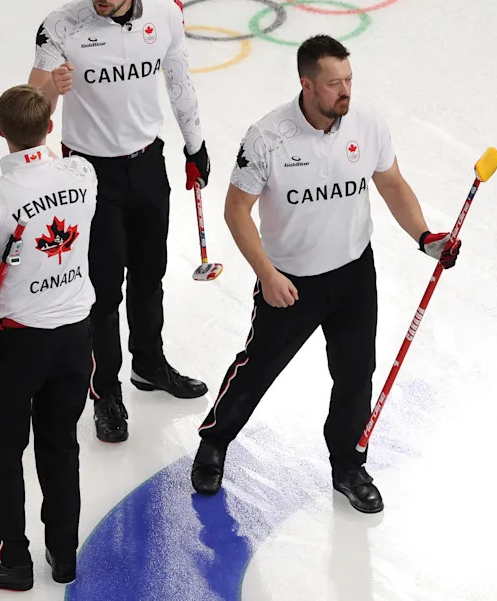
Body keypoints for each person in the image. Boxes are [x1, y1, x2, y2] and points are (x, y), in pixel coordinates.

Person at [190, 35, 462, 513]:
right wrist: (267, 273)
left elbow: (391, 183)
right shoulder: (267, 137)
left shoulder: (367, 123)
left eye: (349, 80)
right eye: (334, 83)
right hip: (291, 282)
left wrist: (425, 237)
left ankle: (348, 465)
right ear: (307, 85)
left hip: (355, 273)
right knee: (258, 369)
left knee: (356, 374)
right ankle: (214, 443)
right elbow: (236, 212)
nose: (346, 91)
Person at [28, 0, 211, 443]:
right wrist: (49, 90)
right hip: (89, 174)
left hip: (148, 163)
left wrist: (194, 145)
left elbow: (179, 80)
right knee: (104, 289)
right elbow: (28, 112)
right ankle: (105, 391)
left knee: (150, 273)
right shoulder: (61, 25)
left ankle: (149, 364)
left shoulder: (165, 16)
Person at [0, 85, 97, 591]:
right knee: (61, 446)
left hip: (18, 346)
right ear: (49, 127)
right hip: (77, 337)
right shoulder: (82, 175)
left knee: (4, 451)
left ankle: (13, 558)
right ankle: (64, 552)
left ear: (1, 134)